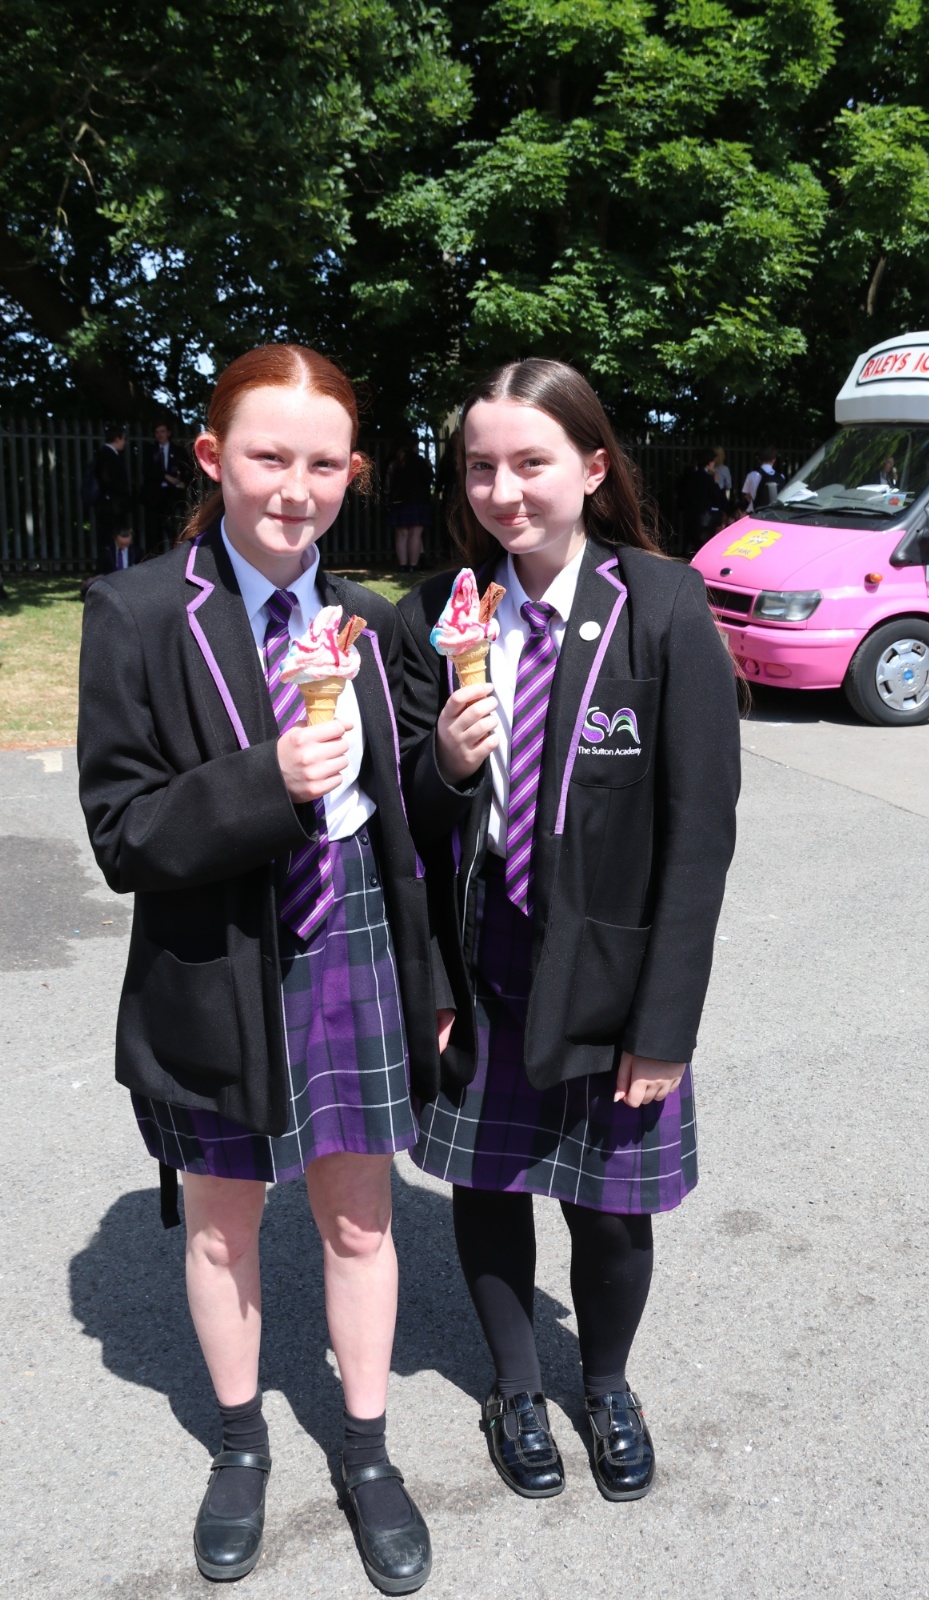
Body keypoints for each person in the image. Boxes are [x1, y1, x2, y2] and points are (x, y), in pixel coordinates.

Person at [78, 345, 442, 1594]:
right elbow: (121, 833)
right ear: (211, 457)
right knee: (226, 1225)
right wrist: (266, 782)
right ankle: (240, 1444)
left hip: (353, 941)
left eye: (324, 463)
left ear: (355, 471)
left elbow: (409, 818)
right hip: (215, 957)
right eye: (268, 456)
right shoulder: (136, 613)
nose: (296, 487)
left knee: (359, 1217)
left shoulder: (370, 623)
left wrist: (451, 761)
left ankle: (367, 1450)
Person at [398, 359, 740, 1505]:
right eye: (479, 466)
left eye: (530, 462)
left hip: (613, 972)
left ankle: (603, 1384)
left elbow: (699, 835)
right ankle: (511, 1386)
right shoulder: (440, 615)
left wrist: (664, 1025)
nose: (502, 491)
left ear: (592, 468)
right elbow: (404, 820)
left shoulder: (662, 605)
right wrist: (446, 762)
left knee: (611, 1204)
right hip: (483, 962)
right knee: (487, 1183)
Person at [143, 419, 193, 548]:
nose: (160, 434)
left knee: (174, 528)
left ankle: (175, 554)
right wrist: (166, 477)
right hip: (155, 495)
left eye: (162, 431)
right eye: (157, 432)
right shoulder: (150, 451)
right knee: (154, 531)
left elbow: (189, 469)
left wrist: (184, 483)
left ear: (168, 433)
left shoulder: (178, 451)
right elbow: (148, 471)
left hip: (173, 495)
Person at [386, 440, 433, 571]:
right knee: (415, 534)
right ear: (414, 446)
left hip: (399, 502)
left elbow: (387, 485)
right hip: (418, 501)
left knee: (401, 535)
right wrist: (429, 467)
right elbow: (428, 479)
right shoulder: (420, 461)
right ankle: (413, 566)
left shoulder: (394, 463)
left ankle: (403, 566)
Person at [93, 423, 131, 543]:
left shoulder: (108, 454)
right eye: (123, 438)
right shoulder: (108, 455)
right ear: (116, 439)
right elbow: (107, 479)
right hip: (111, 505)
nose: (124, 442)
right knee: (111, 536)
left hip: (111, 503)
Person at [741, 447, 787, 514]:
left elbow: (747, 496)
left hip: (756, 513)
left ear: (759, 460)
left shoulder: (752, 475)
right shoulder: (781, 477)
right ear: (774, 460)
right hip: (776, 515)